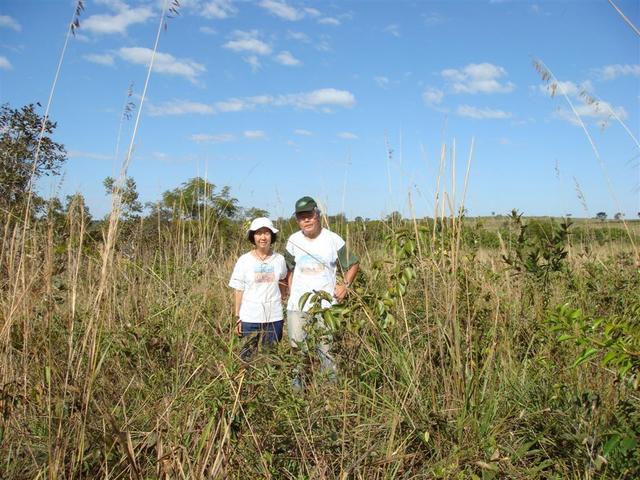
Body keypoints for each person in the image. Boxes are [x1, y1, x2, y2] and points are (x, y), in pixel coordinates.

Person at [285, 196, 359, 387]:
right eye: (301, 217)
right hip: (297, 308)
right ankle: (297, 397)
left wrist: (345, 285)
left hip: (326, 308)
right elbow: (288, 269)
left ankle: (330, 397)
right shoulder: (293, 240)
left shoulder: (333, 240)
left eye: (309, 215)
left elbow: (352, 263)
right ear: (297, 220)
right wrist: (292, 294)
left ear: (317, 215)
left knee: (327, 352)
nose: (306, 220)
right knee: (297, 354)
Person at [229, 217, 288, 361]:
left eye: (266, 233)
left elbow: (283, 281)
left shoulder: (279, 259)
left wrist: (282, 299)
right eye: (258, 233)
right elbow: (238, 289)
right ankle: (245, 383)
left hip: (274, 317)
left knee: (270, 358)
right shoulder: (244, 260)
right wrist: (238, 317)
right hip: (250, 317)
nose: (263, 237)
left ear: (272, 236)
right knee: (246, 358)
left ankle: (269, 385)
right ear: (253, 236)